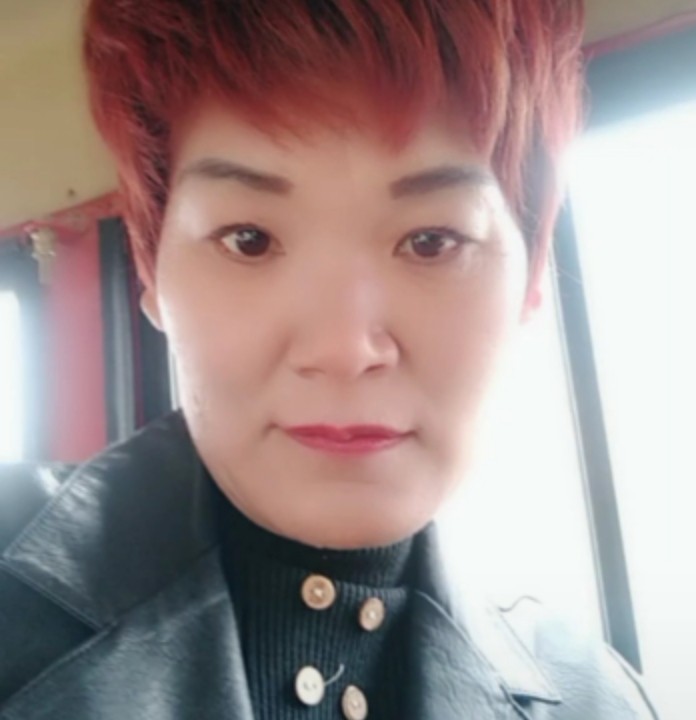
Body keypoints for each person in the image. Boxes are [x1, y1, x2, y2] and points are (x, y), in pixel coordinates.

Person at [0, 1, 659, 718]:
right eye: (249, 238)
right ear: (150, 270)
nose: (343, 350)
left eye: (432, 241)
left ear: (531, 277)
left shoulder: (600, 699)